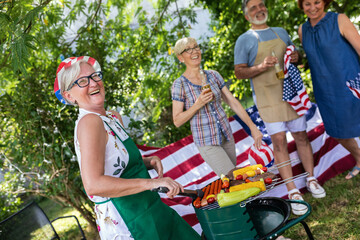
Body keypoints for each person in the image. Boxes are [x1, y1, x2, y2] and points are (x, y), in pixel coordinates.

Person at [54, 56, 201, 240]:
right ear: (69, 95)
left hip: (149, 206)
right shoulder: (89, 122)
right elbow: (93, 184)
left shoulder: (112, 117)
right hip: (128, 219)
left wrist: (146, 162)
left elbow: (116, 164)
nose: (93, 84)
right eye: (82, 81)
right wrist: (152, 183)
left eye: (95, 76)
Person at [234, 0, 326, 215]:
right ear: (247, 16)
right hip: (267, 97)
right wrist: (260, 67)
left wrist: (297, 56)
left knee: (301, 136)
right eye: (253, 8)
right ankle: (293, 191)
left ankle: (311, 178)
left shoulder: (281, 32)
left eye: (261, 5)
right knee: (278, 142)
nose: (259, 10)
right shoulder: (244, 40)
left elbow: (296, 57)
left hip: (291, 94)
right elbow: (239, 72)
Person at [172, 37, 263, 177]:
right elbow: (177, 121)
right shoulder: (180, 84)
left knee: (235, 180)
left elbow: (233, 102)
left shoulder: (213, 75)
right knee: (234, 178)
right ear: (180, 57)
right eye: (188, 50)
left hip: (226, 135)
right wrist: (198, 104)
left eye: (196, 47)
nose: (194, 51)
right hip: (207, 142)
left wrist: (253, 127)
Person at [298, 0, 360, 180]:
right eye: (307, 4)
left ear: (324, 2)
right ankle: (359, 160)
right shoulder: (302, 30)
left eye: (317, 2)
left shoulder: (339, 19)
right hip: (325, 89)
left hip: (351, 82)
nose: (312, 7)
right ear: (301, 6)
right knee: (337, 131)